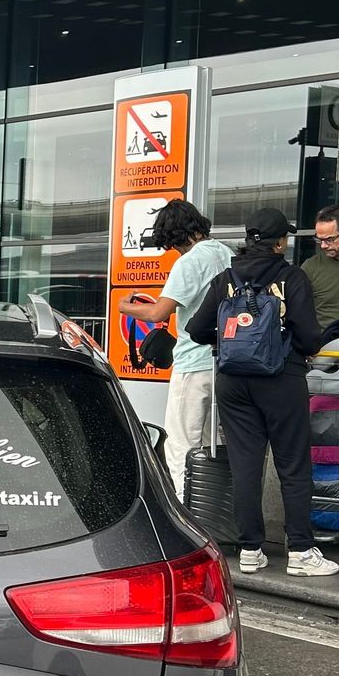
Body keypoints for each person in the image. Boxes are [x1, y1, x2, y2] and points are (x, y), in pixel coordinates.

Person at [186, 207, 338, 577]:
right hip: (281, 380)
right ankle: (301, 551)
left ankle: (250, 550)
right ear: (280, 242)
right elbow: (307, 336)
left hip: (233, 381)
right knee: (292, 465)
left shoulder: (226, 279)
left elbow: (197, 329)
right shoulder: (292, 277)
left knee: (245, 466)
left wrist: (229, 340)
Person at [115, 199, 232, 498]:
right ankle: (215, 511)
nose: (172, 250)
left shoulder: (190, 262)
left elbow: (158, 313)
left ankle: (184, 510)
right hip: (226, 363)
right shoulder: (226, 253)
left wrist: (125, 307)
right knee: (215, 445)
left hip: (194, 362)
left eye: (170, 243)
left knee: (181, 443)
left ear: (176, 235)